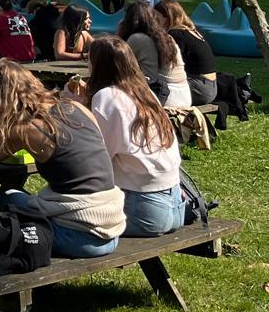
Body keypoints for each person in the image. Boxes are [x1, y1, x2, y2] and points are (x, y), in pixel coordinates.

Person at [0, 60, 125, 267]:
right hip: (112, 229)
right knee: (26, 199)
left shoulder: (29, 129)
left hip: (80, 238)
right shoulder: (77, 107)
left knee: (8, 196)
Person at [68, 35, 183, 236]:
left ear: (99, 65)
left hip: (144, 209)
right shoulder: (144, 93)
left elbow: (96, 158)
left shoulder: (106, 97)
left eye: (89, 59)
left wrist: (75, 109)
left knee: (59, 219)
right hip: (176, 203)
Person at [158, 0, 243, 121]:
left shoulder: (175, 34)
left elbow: (170, 66)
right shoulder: (191, 31)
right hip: (210, 86)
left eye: (157, 17)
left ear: (167, 17)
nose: (153, 21)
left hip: (200, 88)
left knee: (154, 89)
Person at [118, 2, 191, 108]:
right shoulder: (167, 38)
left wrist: (119, 32)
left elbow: (117, 64)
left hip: (161, 97)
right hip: (183, 96)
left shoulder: (137, 39)